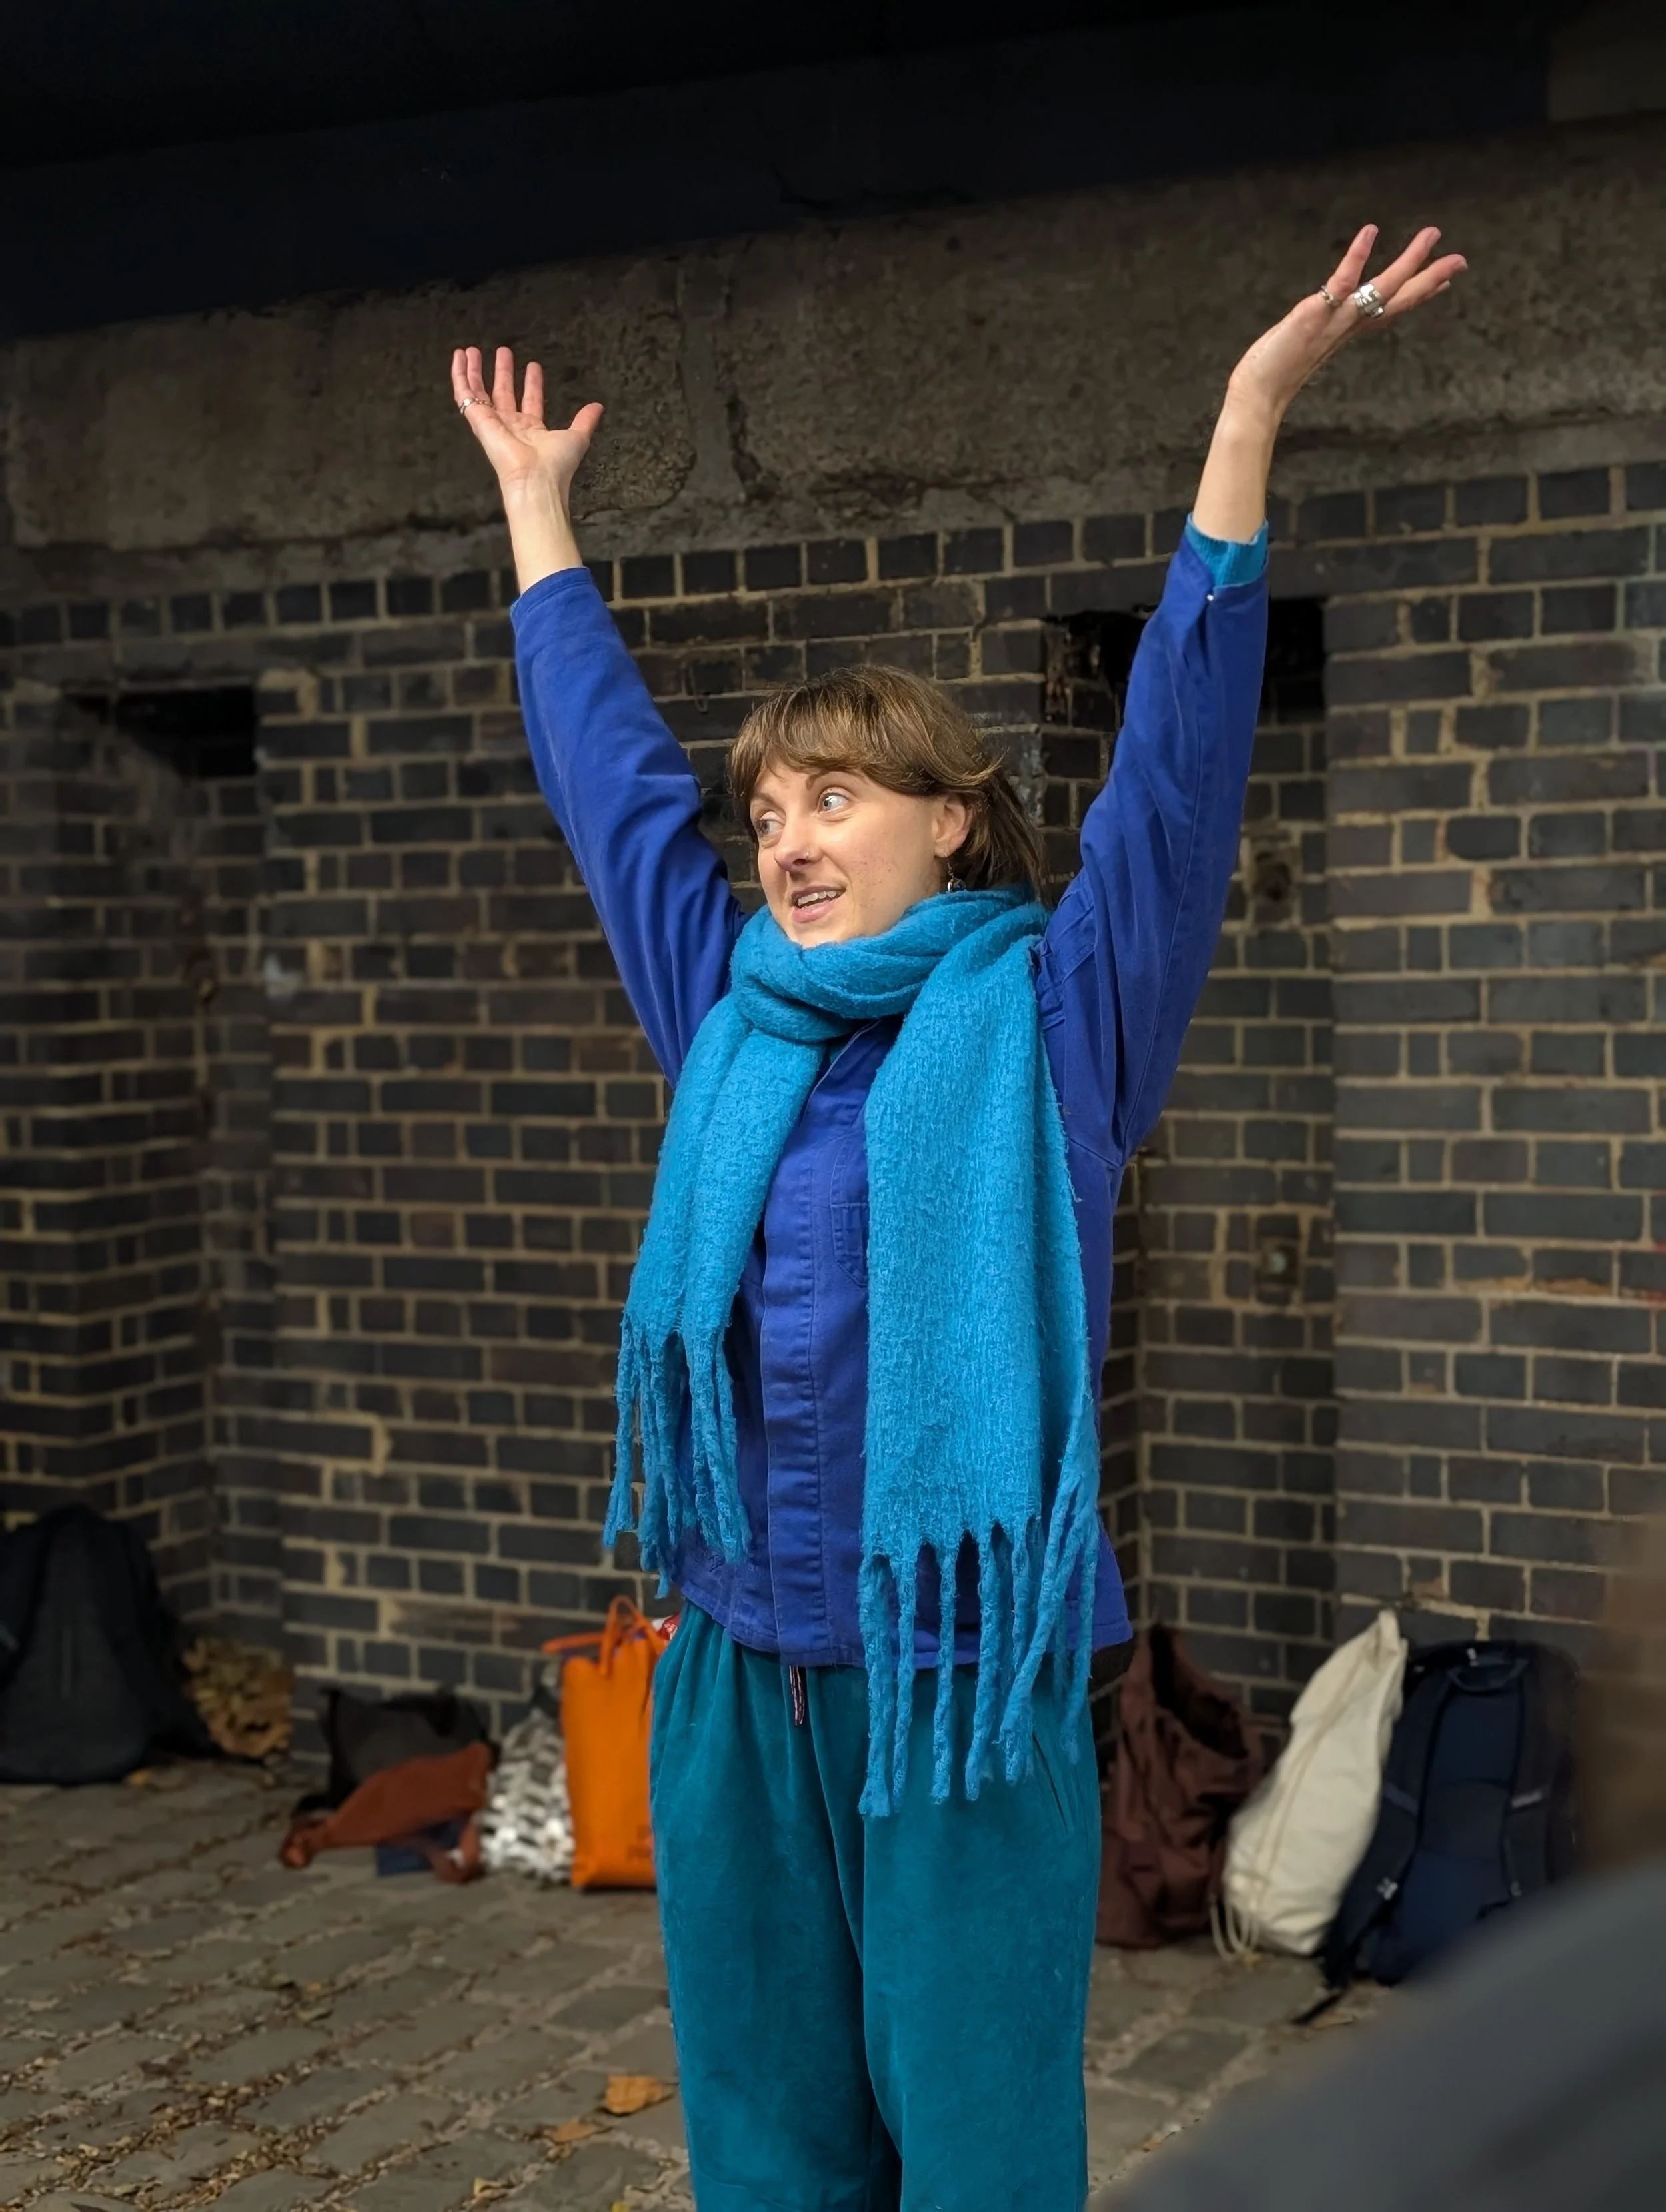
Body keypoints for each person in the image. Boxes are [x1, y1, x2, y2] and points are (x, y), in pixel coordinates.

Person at [450, 219, 1464, 2212]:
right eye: (768, 813)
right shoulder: (729, 1014)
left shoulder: (1058, 1016)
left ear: (949, 820)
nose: (787, 839)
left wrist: (1248, 422)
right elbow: (613, 798)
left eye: (832, 797)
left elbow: (1174, 776)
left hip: (958, 1675)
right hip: (739, 1660)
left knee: (977, 2135)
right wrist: (536, 526)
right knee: (760, 2118)